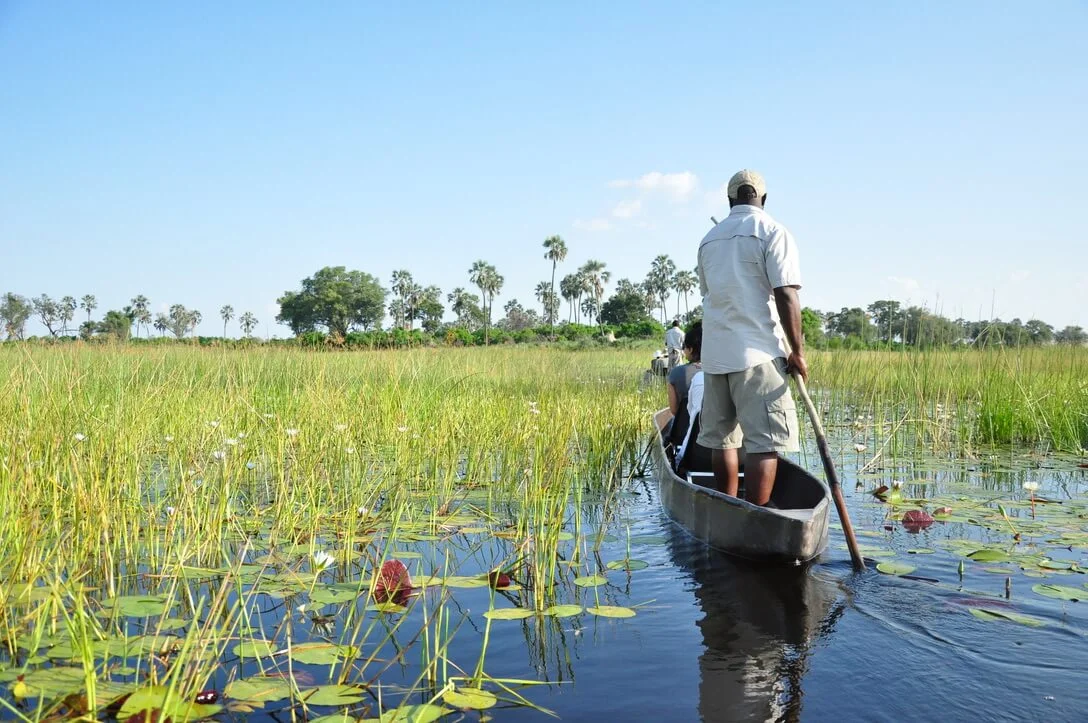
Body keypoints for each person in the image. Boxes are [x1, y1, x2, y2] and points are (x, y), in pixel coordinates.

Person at [696, 170, 807, 506]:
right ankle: (756, 513)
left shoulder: (709, 239)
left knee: (724, 442)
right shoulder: (773, 231)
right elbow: (786, 294)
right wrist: (798, 351)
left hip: (715, 357)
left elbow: (709, 293)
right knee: (765, 442)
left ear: (730, 200)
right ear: (763, 199)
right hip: (758, 354)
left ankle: (727, 510)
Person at [664, 321, 702, 457]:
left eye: (685, 347)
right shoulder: (721, 371)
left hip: (684, 433)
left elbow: (674, 410)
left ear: (690, 349)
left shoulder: (676, 373)